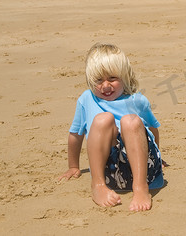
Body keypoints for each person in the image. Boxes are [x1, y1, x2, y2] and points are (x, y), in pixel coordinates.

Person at [58, 43, 164, 211]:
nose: (105, 86)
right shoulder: (86, 99)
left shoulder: (137, 100)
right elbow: (75, 135)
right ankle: (98, 185)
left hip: (143, 170)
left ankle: (140, 188)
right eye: (98, 80)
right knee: (102, 120)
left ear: (125, 77)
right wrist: (73, 166)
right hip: (108, 172)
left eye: (112, 79)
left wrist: (158, 159)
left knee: (130, 122)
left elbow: (151, 131)